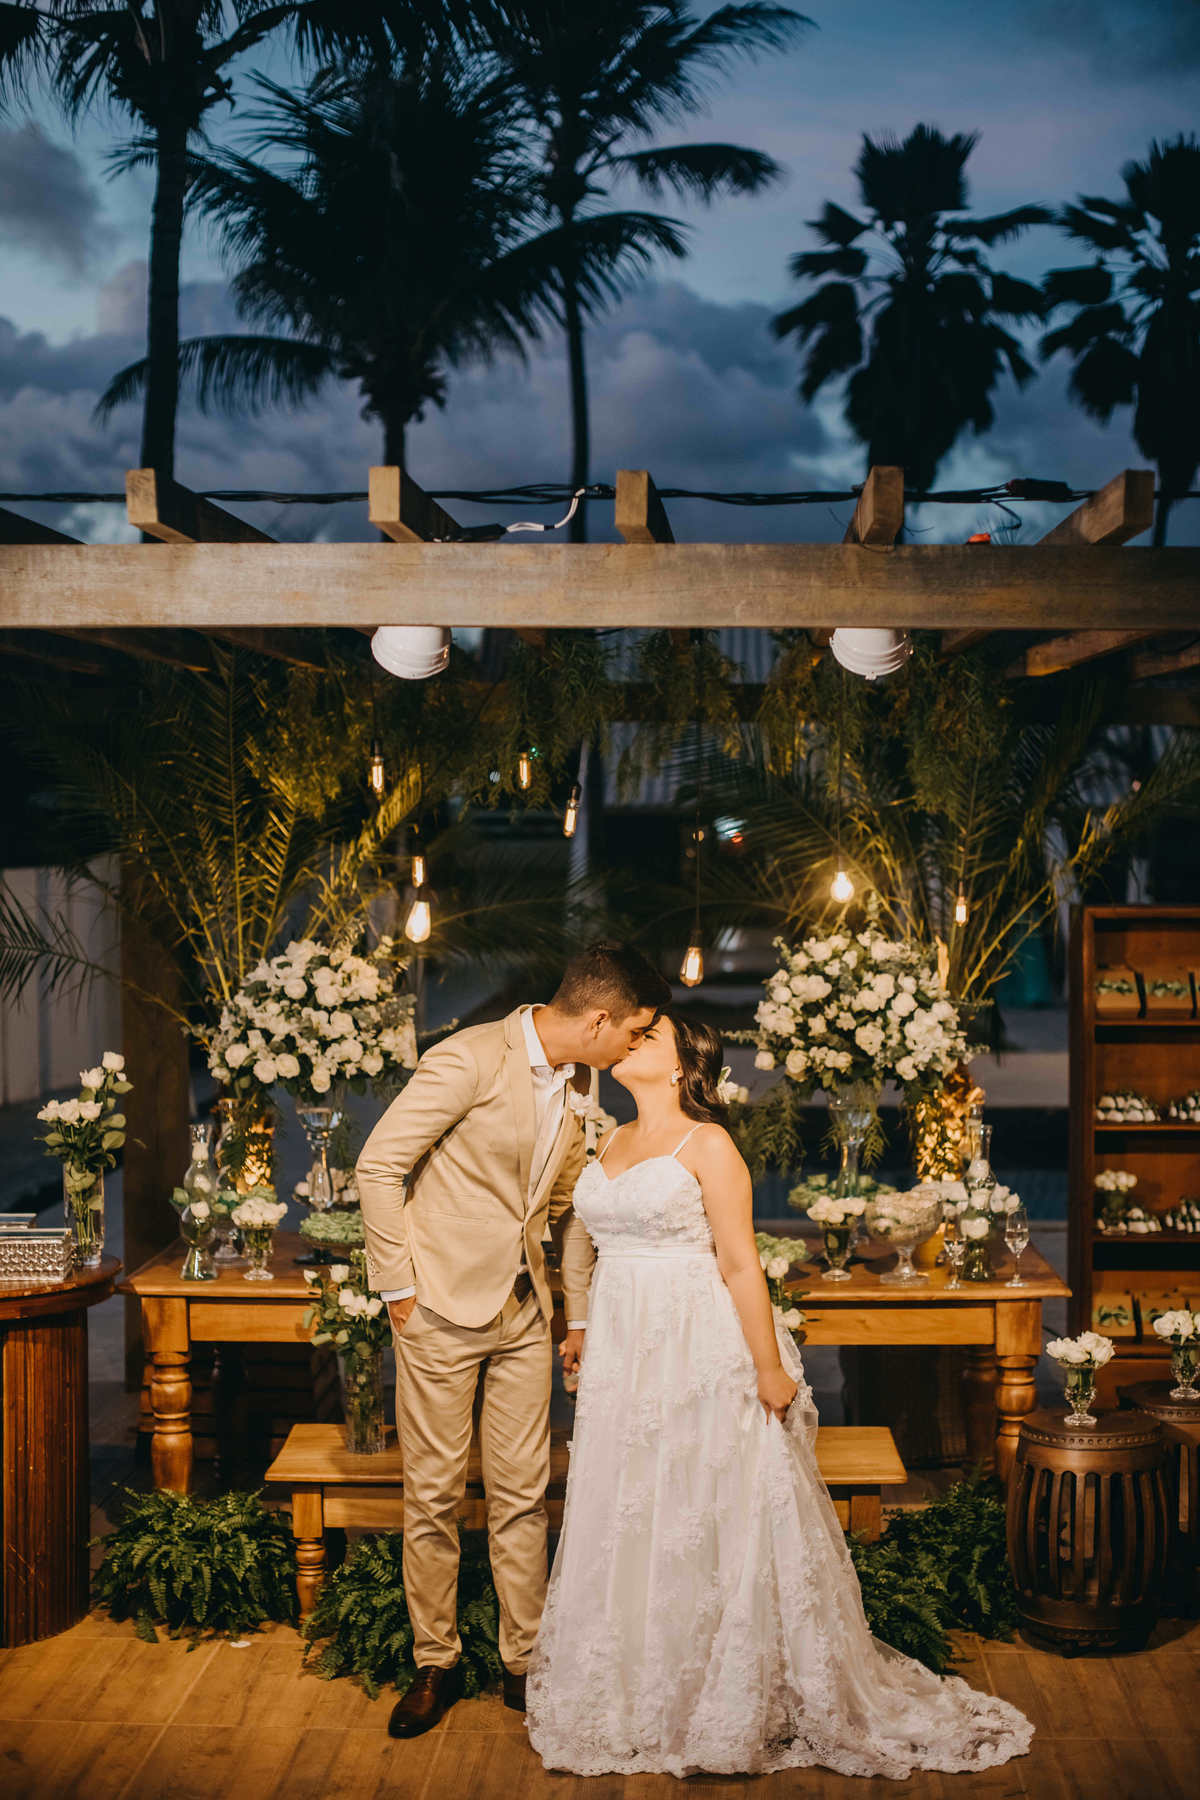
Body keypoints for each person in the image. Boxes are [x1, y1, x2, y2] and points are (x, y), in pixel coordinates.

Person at [525, 1015, 1034, 1779]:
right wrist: (585, 1323)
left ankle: (719, 1691)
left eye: (649, 1036)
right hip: (625, 1351)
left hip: (693, 1342)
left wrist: (767, 1367)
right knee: (631, 1500)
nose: (630, 1041)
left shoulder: (709, 1145)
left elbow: (739, 1265)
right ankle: (635, 1686)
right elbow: (590, 1245)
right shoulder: (610, 1139)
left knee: (703, 1503)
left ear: (683, 1066)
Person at [356, 941, 671, 1740]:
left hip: (525, 1313)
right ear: (597, 1019)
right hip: (438, 1309)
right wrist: (399, 1291)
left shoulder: (583, 1081)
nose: (634, 1046)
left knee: (524, 1494)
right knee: (433, 1496)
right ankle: (436, 1661)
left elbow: (564, 1205)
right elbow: (379, 1166)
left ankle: (522, 1661)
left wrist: (575, 1313)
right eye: (633, 1031)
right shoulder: (467, 1059)